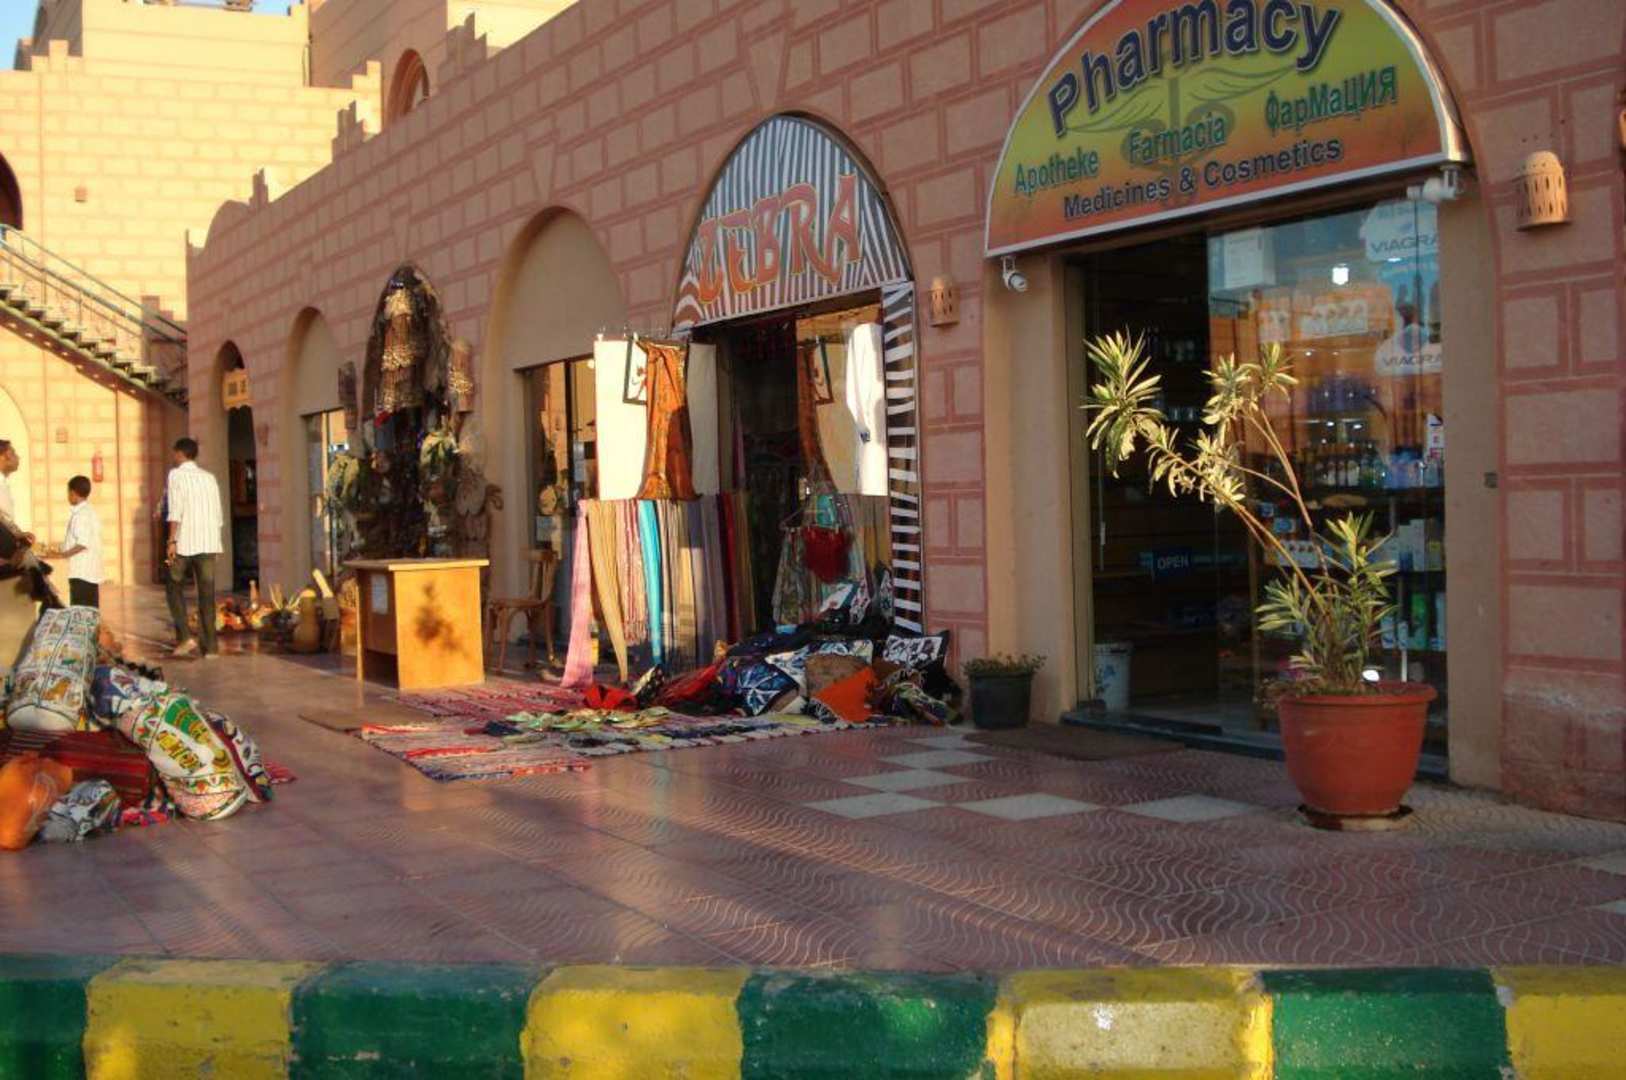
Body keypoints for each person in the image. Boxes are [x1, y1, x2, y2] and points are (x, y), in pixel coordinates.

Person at [164, 437, 223, 659]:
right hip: (209, 541)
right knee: (207, 594)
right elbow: (218, 513)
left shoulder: (176, 475)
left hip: (184, 542)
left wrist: (171, 541)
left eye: (174, 453)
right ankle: (211, 647)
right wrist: (216, 542)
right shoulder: (209, 478)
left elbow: (175, 510)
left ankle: (185, 637)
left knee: (173, 585)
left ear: (180, 453)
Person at [56, 475, 103, 608]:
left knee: (80, 611)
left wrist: (63, 555)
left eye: (68, 493)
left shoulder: (81, 515)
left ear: (73, 493)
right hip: (89, 573)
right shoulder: (89, 512)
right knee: (90, 611)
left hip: (81, 573)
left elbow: (82, 543)